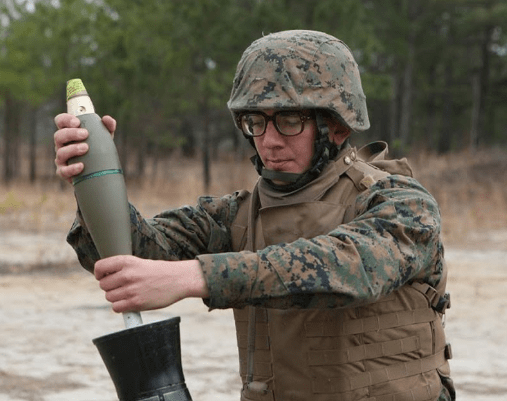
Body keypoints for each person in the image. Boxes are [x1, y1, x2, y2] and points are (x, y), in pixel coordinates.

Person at [54, 30, 456, 401]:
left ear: (334, 125)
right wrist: (93, 182)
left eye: (289, 120)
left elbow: (348, 267)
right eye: (255, 121)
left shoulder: (402, 204)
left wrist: (197, 277)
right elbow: (133, 256)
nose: (269, 140)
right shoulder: (236, 215)